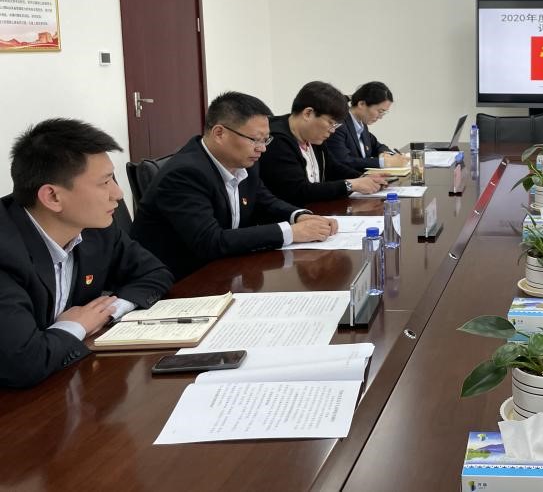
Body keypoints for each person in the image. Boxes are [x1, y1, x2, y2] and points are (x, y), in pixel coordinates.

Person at [0, 119, 173, 388]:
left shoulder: (95, 228)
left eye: (113, 178)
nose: (118, 194)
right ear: (52, 197)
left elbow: (155, 273)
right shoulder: (7, 251)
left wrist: (106, 311)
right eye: (104, 182)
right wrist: (77, 326)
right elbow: (23, 362)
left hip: (67, 381)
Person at [131, 92, 337, 280]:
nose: (262, 149)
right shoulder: (185, 174)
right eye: (255, 140)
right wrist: (292, 232)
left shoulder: (244, 162)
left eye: (266, 140)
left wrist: (299, 216)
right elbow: (211, 241)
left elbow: (264, 201)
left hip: (226, 270)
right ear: (219, 133)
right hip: (180, 280)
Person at [260, 81, 389, 205]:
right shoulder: (277, 140)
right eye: (330, 123)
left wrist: (364, 177)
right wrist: (351, 185)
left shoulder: (312, 137)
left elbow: (333, 168)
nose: (332, 130)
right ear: (308, 113)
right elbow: (299, 190)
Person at [324, 81, 408, 171]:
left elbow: (377, 146)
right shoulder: (338, 125)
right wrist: (384, 162)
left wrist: (385, 154)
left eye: (384, 113)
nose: (380, 117)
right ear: (361, 104)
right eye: (380, 111)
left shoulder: (361, 124)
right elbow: (343, 161)